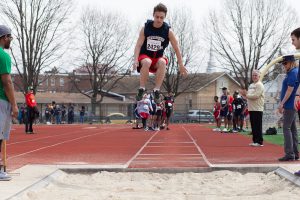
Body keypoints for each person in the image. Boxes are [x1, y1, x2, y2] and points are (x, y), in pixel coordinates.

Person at [132, 3, 188, 103]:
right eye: (157, 17)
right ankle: (141, 89)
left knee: (163, 62)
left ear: (164, 17)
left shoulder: (168, 31)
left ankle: (156, 90)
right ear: (153, 15)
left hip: (157, 58)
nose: (159, 20)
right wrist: (135, 60)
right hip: (145, 56)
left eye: (161, 18)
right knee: (147, 62)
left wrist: (181, 64)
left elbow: (176, 48)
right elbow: (138, 45)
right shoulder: (145, 28)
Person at [0, 25, 18, 181]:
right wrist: (14, 104)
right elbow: (7, 82)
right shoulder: (3, 56)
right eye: (10, 38)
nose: (10, 41)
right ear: (4, 37)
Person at [277, 55, 299, 161]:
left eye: (285, 63)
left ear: (291, 62)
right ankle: (295, 152)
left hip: (290, 105)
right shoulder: (292, 72)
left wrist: (282, 103)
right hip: (291, 105)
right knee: (293, 129)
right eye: (283, 63)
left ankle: (290, 154)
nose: (283, 65)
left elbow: (290, 90)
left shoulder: (293, 73)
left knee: (286, 128)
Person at [240, 70, 265, 147]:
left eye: (256, 75)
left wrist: (246, 95)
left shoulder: (260, 85)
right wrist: (244, 94)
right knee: (253, 125)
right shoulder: (251, 85)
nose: (254, 76)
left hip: (258, 108)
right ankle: (255, 141)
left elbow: (256, 96)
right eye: (253, 75)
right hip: (251, 108)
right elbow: (249, 95)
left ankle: (259, 141)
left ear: (259, 76)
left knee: (257, 125)